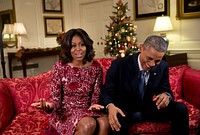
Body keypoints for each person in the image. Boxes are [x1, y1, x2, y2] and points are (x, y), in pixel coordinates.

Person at [100, 35, 189, 135]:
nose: (152, 64)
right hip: (125, 110)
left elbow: (165, 88)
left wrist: (166, 95)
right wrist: (110, 106)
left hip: (149, 109)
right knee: (117, 117)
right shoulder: (119, 65)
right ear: (141, 48)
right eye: (149, 58)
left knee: (180, 108)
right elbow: (106, 92)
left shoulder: (163, 66)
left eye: (157, 61)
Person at [31, 28, 110, 135]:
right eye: (73, 46)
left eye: (82, 45)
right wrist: (48, 106)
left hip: (88, 110)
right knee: (89, 123)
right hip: (65, 112)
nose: (78, 49)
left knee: (105, 122)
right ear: (68, 48)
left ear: (87, 46)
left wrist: (95, 104)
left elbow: (96, 94)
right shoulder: (59, 67)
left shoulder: (96, 67)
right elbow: (55, 99)